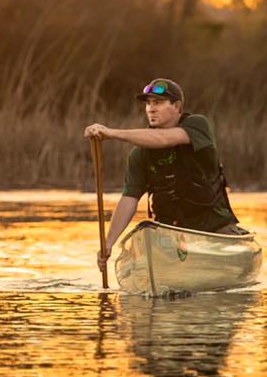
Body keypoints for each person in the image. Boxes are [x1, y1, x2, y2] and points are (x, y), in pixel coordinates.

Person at [83, 78, 243, 273]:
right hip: (172, 235)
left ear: (176, 107)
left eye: (158, 103)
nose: (151, 108)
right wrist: (107, 243)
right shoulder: (139, 155)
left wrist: (112, 133)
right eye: (148, 103)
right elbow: (129, 199)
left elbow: (164, 139)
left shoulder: (198, 125)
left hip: (215, 229)